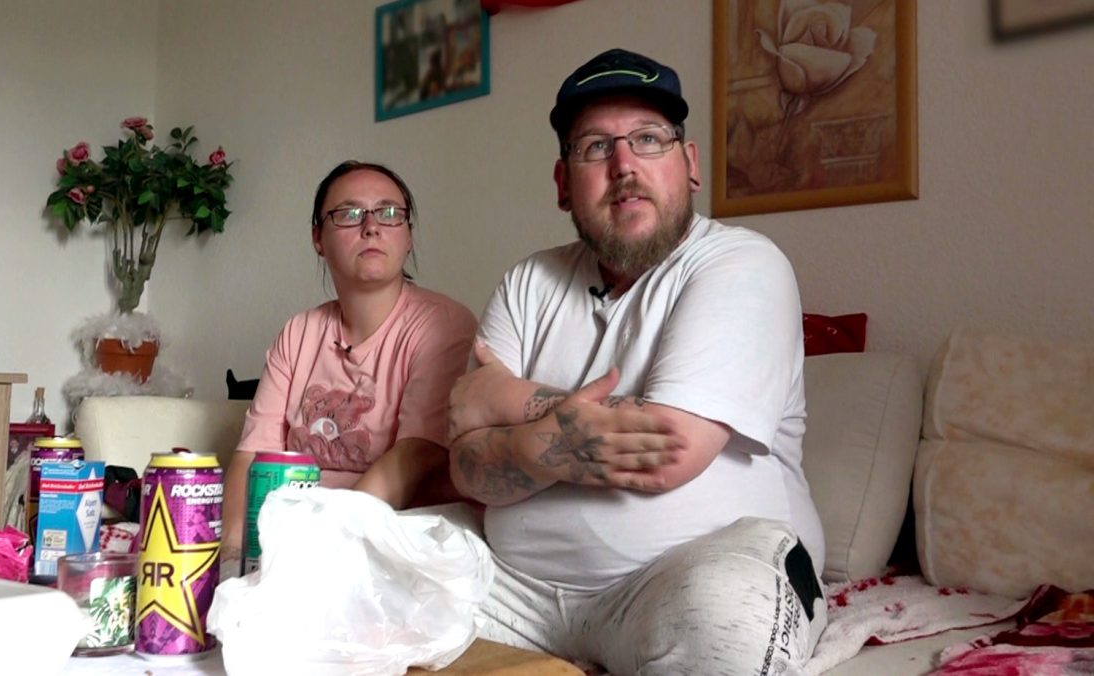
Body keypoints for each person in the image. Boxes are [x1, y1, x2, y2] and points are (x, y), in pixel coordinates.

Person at [447, 49, 827, 675]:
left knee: (730, 622)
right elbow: (465, 466)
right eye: (595, 147)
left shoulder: (742, 263)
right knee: (331, 557)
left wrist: (503, 405)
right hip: (513, 591)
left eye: (649, 138)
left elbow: (666, 451)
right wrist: (529, 440)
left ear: (690, 163)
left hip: (678, 578)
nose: (624, 165)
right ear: (563, 182)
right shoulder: (527, 282)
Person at [222, 160, 477, 566]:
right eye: (349, 213)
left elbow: (413, 457)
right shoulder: (298, 332)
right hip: (295, 539)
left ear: (408, 236)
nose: (371, 226)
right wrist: (233, 560)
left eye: (390, 213)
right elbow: (251, 457)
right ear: (318, 238)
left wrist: (317, 552)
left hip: (394, 539)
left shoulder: (443, 325)